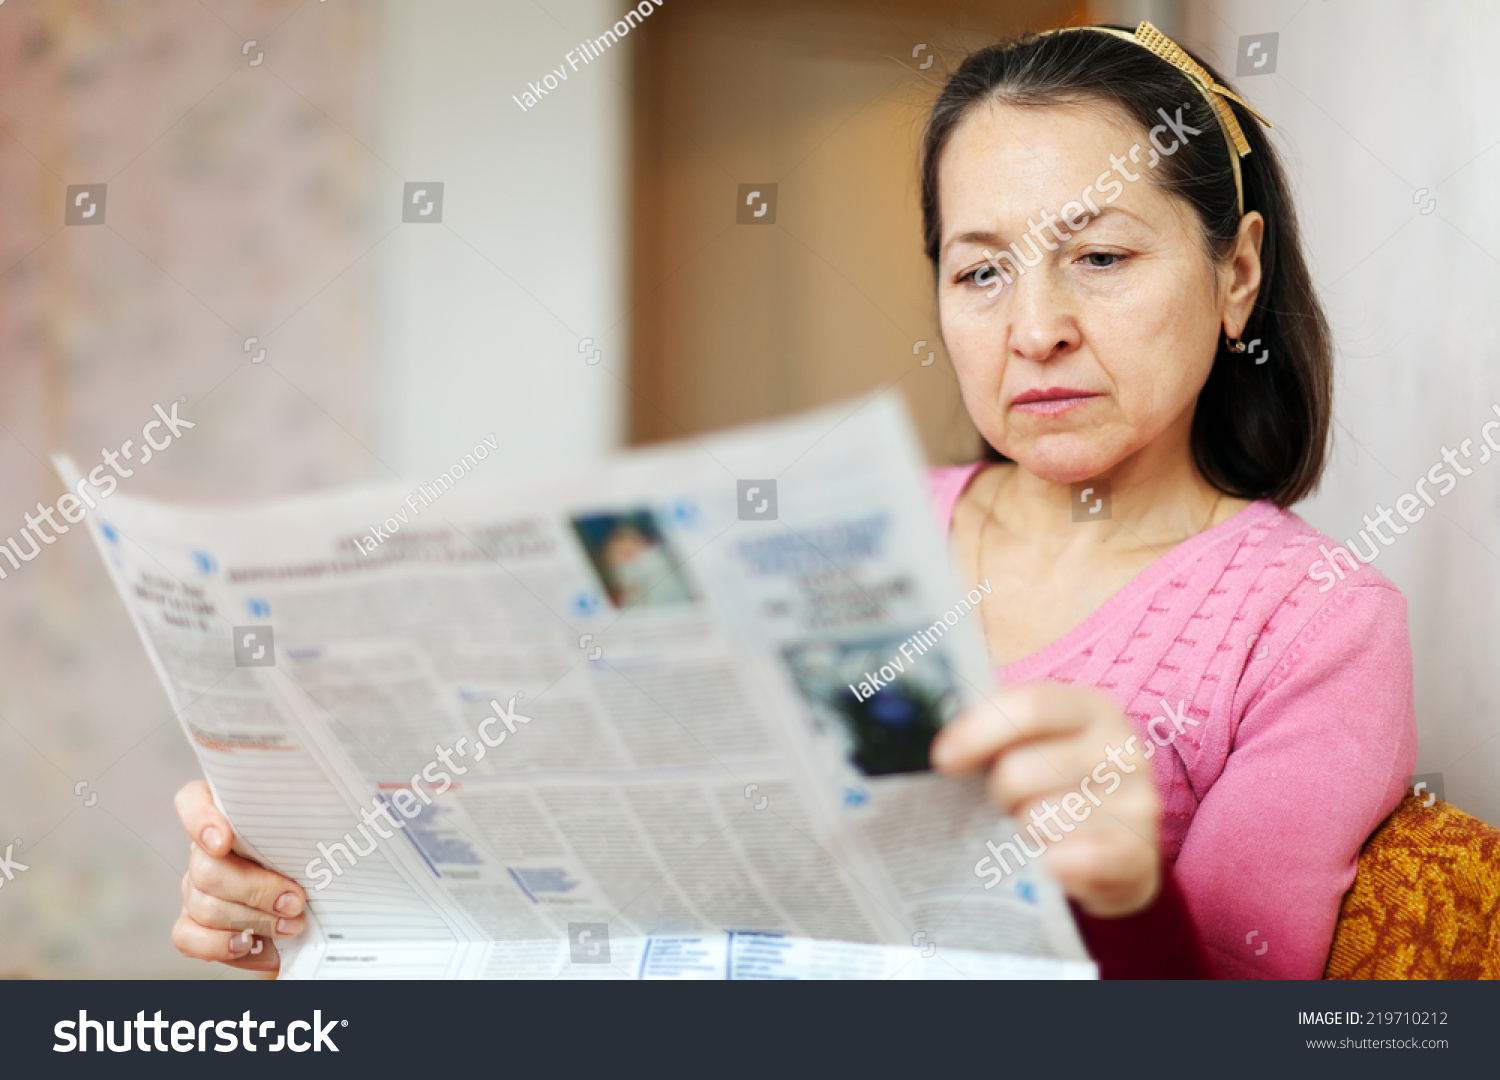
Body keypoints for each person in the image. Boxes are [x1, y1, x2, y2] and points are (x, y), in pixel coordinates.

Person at [170, 22, 1416, 979]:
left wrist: (1122, 895)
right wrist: (312, 891)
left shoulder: (1315, 625)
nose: (1035, 328)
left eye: (1099, 257)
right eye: (980, 271)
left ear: (1237, 271)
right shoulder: (825, 534)